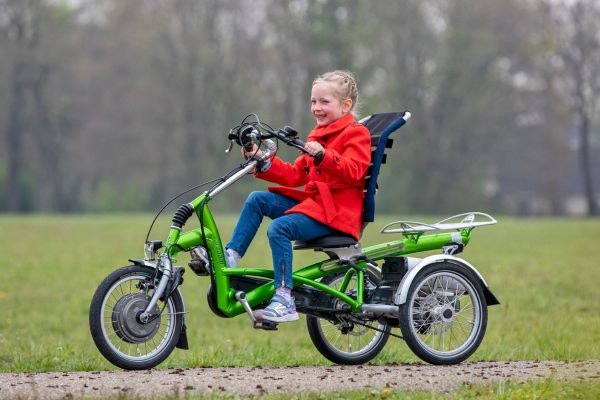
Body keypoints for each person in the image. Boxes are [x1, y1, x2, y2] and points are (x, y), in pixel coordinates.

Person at [225, 70, 371, 322]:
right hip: (318, 208)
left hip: (336, 215)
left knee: (280, 229)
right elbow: (296, 175)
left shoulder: (356, 134)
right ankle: (231, 257)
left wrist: (323, 156)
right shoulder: (319, 134)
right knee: (257, 200)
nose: (316, 108)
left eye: (325, 102)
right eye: (314, 101)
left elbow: (355, 172)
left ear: (346, 105)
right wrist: (264, 161)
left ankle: (284, 298)